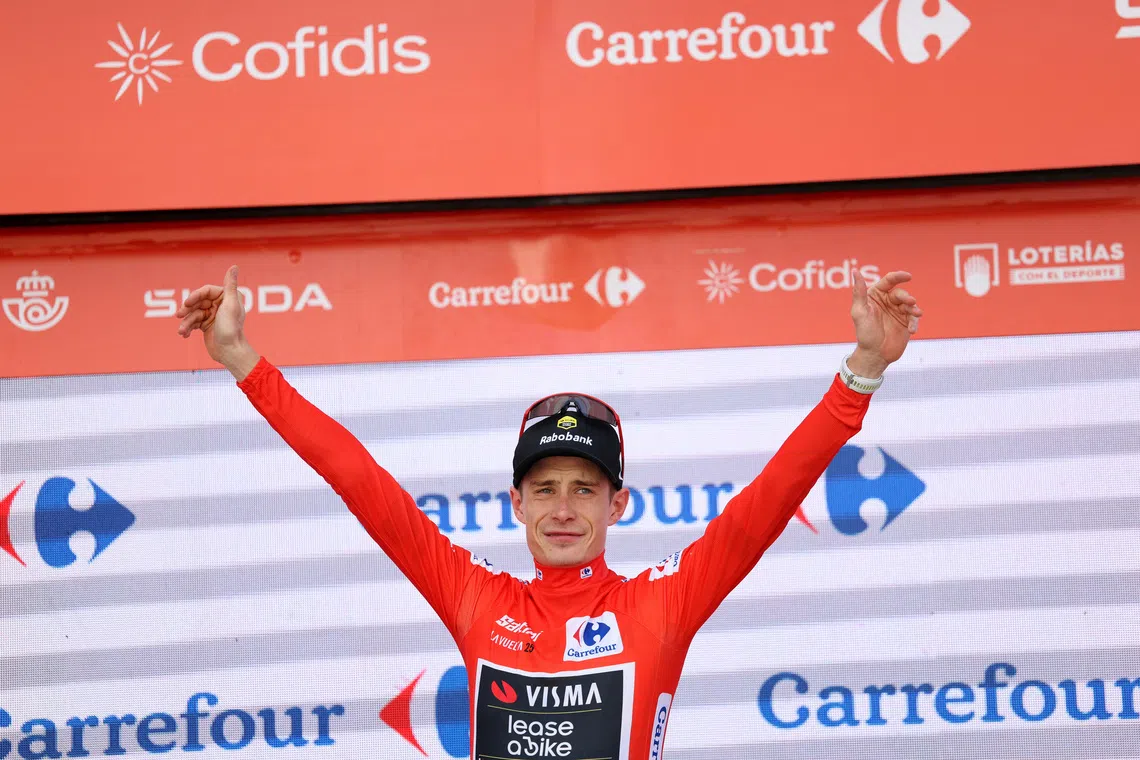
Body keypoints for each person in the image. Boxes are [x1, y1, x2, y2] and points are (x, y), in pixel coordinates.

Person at [176, 265, 922, 760]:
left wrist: (862, 371)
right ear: (517, 503)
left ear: (617, 503)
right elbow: (357, 478)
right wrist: (241, 359)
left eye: (584, 489)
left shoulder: (660, 603)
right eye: (544, 488)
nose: (563, 509)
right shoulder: (478, 599)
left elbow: (770, 500)